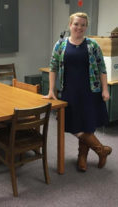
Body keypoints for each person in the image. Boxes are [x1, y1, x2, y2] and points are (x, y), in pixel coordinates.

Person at [43, 12, 112, 171]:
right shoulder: (60, 45)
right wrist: (51, 90)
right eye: (76, 24)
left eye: (82, 25)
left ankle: (82, 157)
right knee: (71, 125)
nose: (79, 27)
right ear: (70, 25)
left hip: (90, 92)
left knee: (86, 125)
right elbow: (53, 68)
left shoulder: (92, 45)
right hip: (69, 92)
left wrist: (105, 89)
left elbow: (102, 68)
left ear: (86, 27)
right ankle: (101, 150)